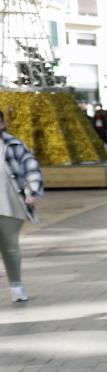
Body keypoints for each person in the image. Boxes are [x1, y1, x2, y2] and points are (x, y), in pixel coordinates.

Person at [1, 108, 43, 303]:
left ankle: (16, 285)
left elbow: (31, 167)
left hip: (9, 203)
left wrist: (33, 191)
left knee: (9, 246)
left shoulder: (13, 145)